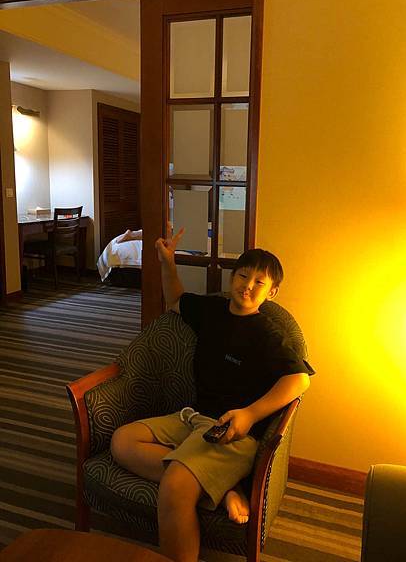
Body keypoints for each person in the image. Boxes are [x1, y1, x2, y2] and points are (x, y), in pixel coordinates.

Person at [110, 224, 314, 562]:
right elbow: (175, 300)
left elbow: (299, 380)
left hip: (229, 433)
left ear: (272, 292)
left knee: (175, 487)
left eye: (259, 282)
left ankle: (196, 482)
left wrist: (249, 414)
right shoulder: (212, 311)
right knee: (122, 441)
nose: (248, 285)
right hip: (193, 418)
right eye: (243, 276)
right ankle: (221, 488)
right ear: (232, 278)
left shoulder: (267, 333)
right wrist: (167, 261)